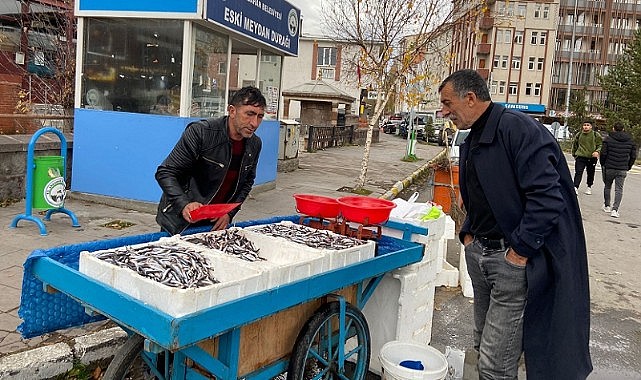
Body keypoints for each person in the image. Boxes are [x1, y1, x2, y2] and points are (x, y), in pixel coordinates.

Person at [438, 69, 592, 379]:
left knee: (496, 363)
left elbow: (548, 199)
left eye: (447, 103)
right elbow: (480, 193)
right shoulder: (475, 134)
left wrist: (518, 253)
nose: (443, 111)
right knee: (484, 346)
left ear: (470, 98)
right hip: (481, 252)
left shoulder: (518, 130)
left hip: (511, 262)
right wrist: (468, 235)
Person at [155, 86, 266, 235]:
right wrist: (184, 204)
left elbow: (247, 182)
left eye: (260, 116)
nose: (255, 123)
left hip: (214, 225)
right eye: (250, 114)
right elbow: (166, 172)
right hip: (180, 222)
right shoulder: (201, 132)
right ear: (232, 111)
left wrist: (229, 213)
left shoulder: (254, 144)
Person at [600, 122, 637, 218]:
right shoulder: (630, 141)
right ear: (623, 129)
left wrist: (603, 164)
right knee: (619, 189)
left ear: (613, 128)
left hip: (609, 167)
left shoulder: (608, 139)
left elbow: (603, 153)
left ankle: (607, 205)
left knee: (607, 186)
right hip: (622, 168)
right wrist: (628, 166)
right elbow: (633, 156)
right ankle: (615, 210)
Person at [572, 120, 602, 195]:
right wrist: (574, 154)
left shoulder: (596, 135)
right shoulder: (579, 134)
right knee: (578, 172)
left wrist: (597, 151)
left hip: (592, 157)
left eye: (588, 125)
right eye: (584, 125)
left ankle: (589, 187)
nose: (586, 126)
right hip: (580, 156)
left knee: (590, 173)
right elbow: (575, 145)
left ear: (591, 127)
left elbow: (600, 145)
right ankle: (575, 187)